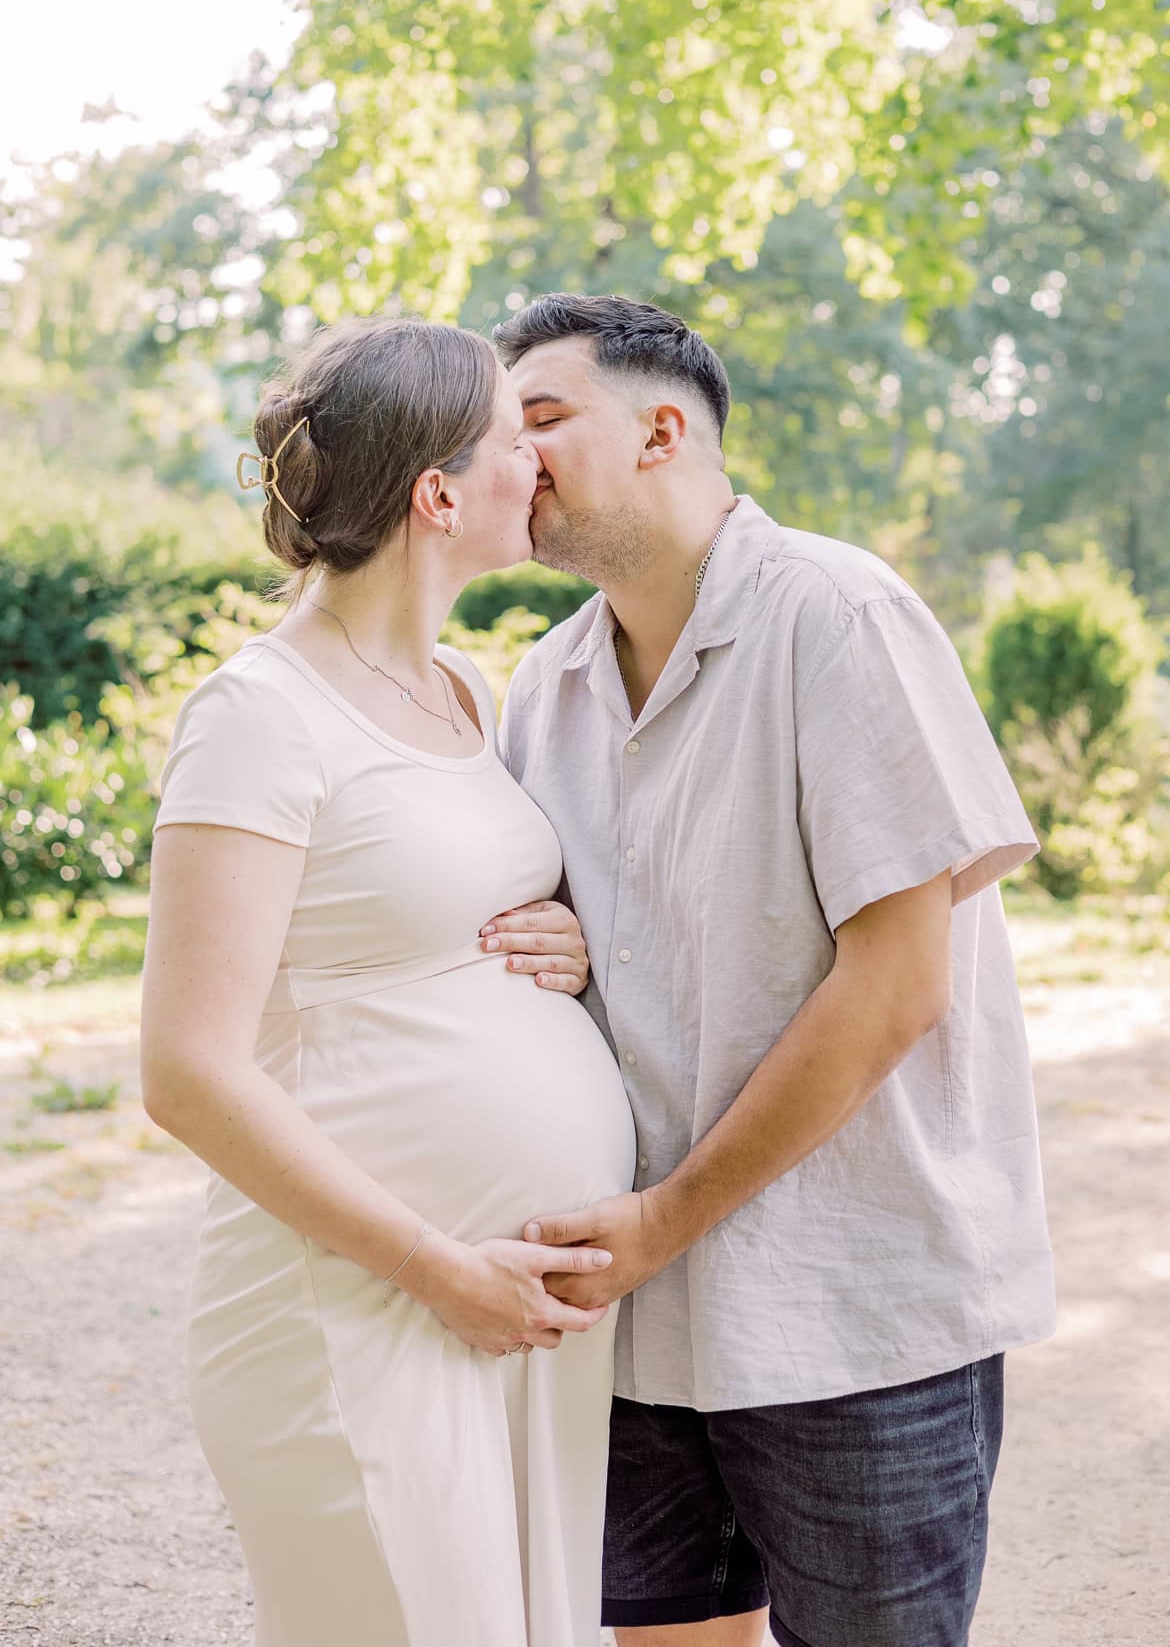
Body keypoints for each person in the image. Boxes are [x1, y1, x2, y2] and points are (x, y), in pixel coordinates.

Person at [486, 293, 1057, 1647]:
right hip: (631, 1331)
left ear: (663, 430)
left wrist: (668, 1217)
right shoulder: (541, 685)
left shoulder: (839, 616)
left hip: (851, 1312)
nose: (513, 458)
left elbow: (896, 986)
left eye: (544, 418)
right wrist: (555, 945)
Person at [139, 315, 637, 1647]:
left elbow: (431, 922)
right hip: (360, 1308)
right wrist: (434, 1270)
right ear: (437, 494)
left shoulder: (466, 691)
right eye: (511, 436)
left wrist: (564, 954)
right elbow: (188, 1071)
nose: (539, 461)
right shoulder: (259, 717)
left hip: (505, 1316)